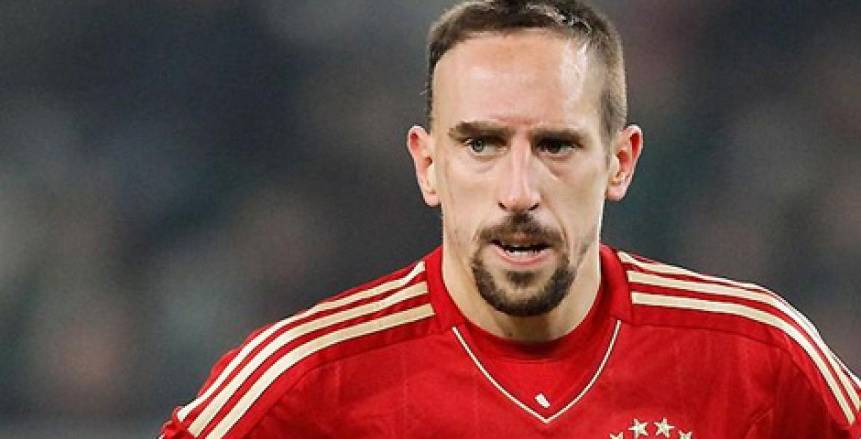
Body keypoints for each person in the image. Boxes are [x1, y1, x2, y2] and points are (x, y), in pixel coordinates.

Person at [160, 1, 861, 437]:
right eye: (481, 144)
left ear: (620, 162)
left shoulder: (756, 355)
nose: (519, 191)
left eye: (555, 145)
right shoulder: (307, 376)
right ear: (428, 165)